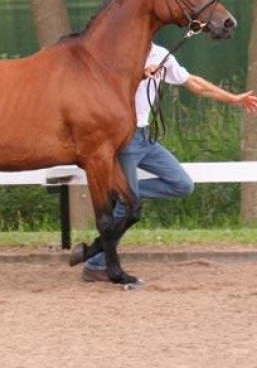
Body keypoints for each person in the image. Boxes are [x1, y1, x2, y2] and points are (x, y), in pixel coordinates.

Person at [80, 41, 257, 282]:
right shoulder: (119, 52)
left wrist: (233, 99)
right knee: (127, 205)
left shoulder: (161, 54)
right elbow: (99, 90)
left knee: (182, 184)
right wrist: (138, 76)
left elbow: (193, 83)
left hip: (145, 138)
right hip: (125, 138)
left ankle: (123, 195)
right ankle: (95, 263)